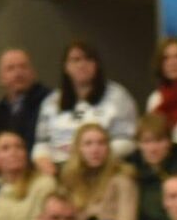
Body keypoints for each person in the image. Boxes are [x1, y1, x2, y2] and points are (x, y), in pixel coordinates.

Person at [32, 40, 139, 174]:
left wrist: (90, 155)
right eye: (75, 60)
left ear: (96, 65)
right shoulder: (51, 101)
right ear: (66, 66)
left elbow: (127, 141)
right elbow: (41, 143)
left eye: (88, 59)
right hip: (58, 168)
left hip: (103, 168)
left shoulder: (118, 96)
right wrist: (42, 159)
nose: (82, 65)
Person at [60, 123, 137, 220]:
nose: (95, 150)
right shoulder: (70, 180)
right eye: (88, 144)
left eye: (101, 143)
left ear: (108, 148)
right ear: (78, 149)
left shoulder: (122, 179)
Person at [0, 49, 48, 175]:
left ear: (33, 74)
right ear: (1, 79)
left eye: (23, 67)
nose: (18, 73)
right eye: (11, 68)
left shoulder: (49, 103)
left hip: (36, 173)